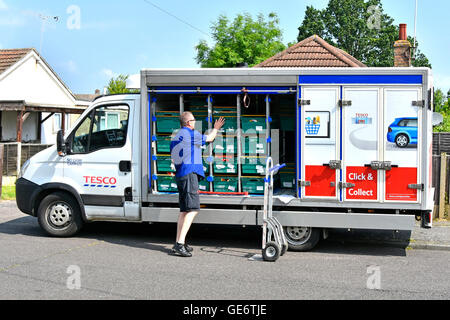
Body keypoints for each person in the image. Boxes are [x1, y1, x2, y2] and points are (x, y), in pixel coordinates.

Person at [170, 111, 225, 257]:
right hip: (189, 174)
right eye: (193, 120)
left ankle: (179, 242)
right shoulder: (190, 134)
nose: (195, 122)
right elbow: (210, 138)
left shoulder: (177, 136)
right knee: (193, 209)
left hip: (181, 175)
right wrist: (216, 127)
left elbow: (174, 159)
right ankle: (179, 244)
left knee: (184, 211)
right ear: (189, 122)